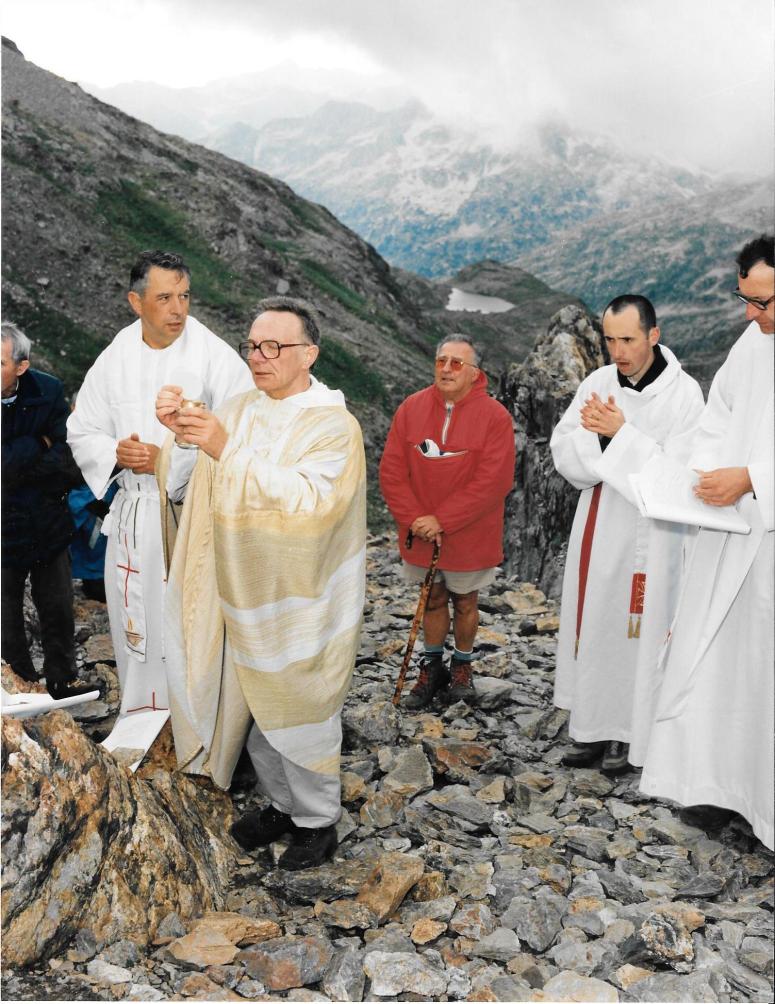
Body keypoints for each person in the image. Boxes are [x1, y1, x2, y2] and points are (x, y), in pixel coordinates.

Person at [155, 296, 366, 871]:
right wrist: (183, 437)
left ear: (309, 354)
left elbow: (311, 502)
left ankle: (317, 820)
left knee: (298, 703)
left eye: (274, 346)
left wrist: (223, 447)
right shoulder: (241, 407)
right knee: (248, 700)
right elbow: (191, 484)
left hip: (300, 593)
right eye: (252, 345)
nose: (258, 356)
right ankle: (280, 803)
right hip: (238, 584)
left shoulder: (334, 426)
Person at [67, 250, 253, 719]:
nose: (178, 309)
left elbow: (241, 434)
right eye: (165, 298)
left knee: (189, 622)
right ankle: (140, 714)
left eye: (184, 296)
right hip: (133, 512)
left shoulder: (213, 355)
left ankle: (197, 724)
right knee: (137, 620)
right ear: (136, 302)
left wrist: (168, 461)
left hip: (190, 513)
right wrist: (116, 453)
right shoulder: (116, 356)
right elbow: (82, 428)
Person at [639, 235, 774, 850]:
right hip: (733, 533)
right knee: (725, 668)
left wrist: (754, 478)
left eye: (764, 302)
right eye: (746, 299)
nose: (751, 315)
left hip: (766, 542)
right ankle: (720, 788)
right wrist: (704, 475)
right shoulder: (753, 343)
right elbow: (718, 419)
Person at [551, 295, 704, 774]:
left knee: (641, 629)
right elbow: (564, 446)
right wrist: (602, 440)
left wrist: (620, 436)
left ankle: (630, 732)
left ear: (653, 336)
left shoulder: (684, 395)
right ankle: (592, 727)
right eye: (609, 340)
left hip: (655, 534)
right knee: (597, 622)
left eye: (628, 340)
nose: (617, 352)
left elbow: (683, 473)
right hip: (601, 524)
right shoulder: (597, 383)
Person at [379, 335, 515, 708]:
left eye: (457, 363)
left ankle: (462, 667)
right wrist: (414, 519)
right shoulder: (411, 408)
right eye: (441, 361)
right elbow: (392, 471)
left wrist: (442, 519)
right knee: (432, 597)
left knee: (466, 601)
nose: (447, 369)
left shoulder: (495, 417)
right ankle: (432, 666)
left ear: (475, 373)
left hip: (471, 532)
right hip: (422, 531)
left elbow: (494, 481)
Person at [1, 322, 92, 699]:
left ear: (21, 366)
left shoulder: (48, 390)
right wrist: (36, 445)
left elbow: (69, 457)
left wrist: (17, 466)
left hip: (46, 519)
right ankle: (20, 683)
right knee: (4, 613)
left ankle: (63, 679)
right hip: (4, 525)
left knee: (57, 605)